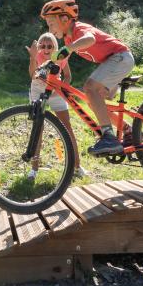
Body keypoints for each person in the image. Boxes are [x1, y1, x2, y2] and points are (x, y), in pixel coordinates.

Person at [40, 0, 134, 156]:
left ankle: (109, 137)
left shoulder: (79, 29)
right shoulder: (68, 39)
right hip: (114, 62)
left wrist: (67, 49)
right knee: (94, 103)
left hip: (120, 57)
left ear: (64, 19)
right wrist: (47, 64)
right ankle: (129, 131)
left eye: (51, 23)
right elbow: (62, 58)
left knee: (89, 88)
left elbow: (90, 39)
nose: (49, 28)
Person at [26, 32, 86, 179]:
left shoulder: (61, 57)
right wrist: (33, 57)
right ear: (39, 46)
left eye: (50, 46)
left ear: (55, 47)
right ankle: (34, 170)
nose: (46, 49)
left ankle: (77, 166)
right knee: (37, 129)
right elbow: (32, 74)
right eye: (43, 46)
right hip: (38, 90)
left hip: (56, 90)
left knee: (67, 128)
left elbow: (67, 76)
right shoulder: (37, 56)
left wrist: (61, 89)